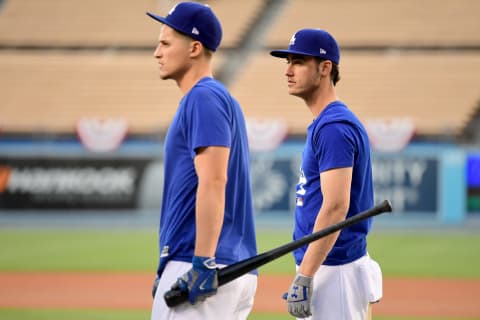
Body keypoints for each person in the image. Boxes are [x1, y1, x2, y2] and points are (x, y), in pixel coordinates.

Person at [146, 2, 258, 319]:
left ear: (195, 47)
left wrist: (201, 262)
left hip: (203, 264)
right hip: (229, 265)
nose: (157, 52)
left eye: (166, 43)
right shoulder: (222, 99)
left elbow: (213, 180)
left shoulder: (203, 97)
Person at [270, 28, 383, 319]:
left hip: (335, 271)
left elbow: (335, 207)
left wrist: (306, 275)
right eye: (288, 61)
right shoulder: (327, 122)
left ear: (325, 67)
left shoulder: (334, 127)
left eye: (298, 61)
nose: (288, 70)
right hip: (327, 265)